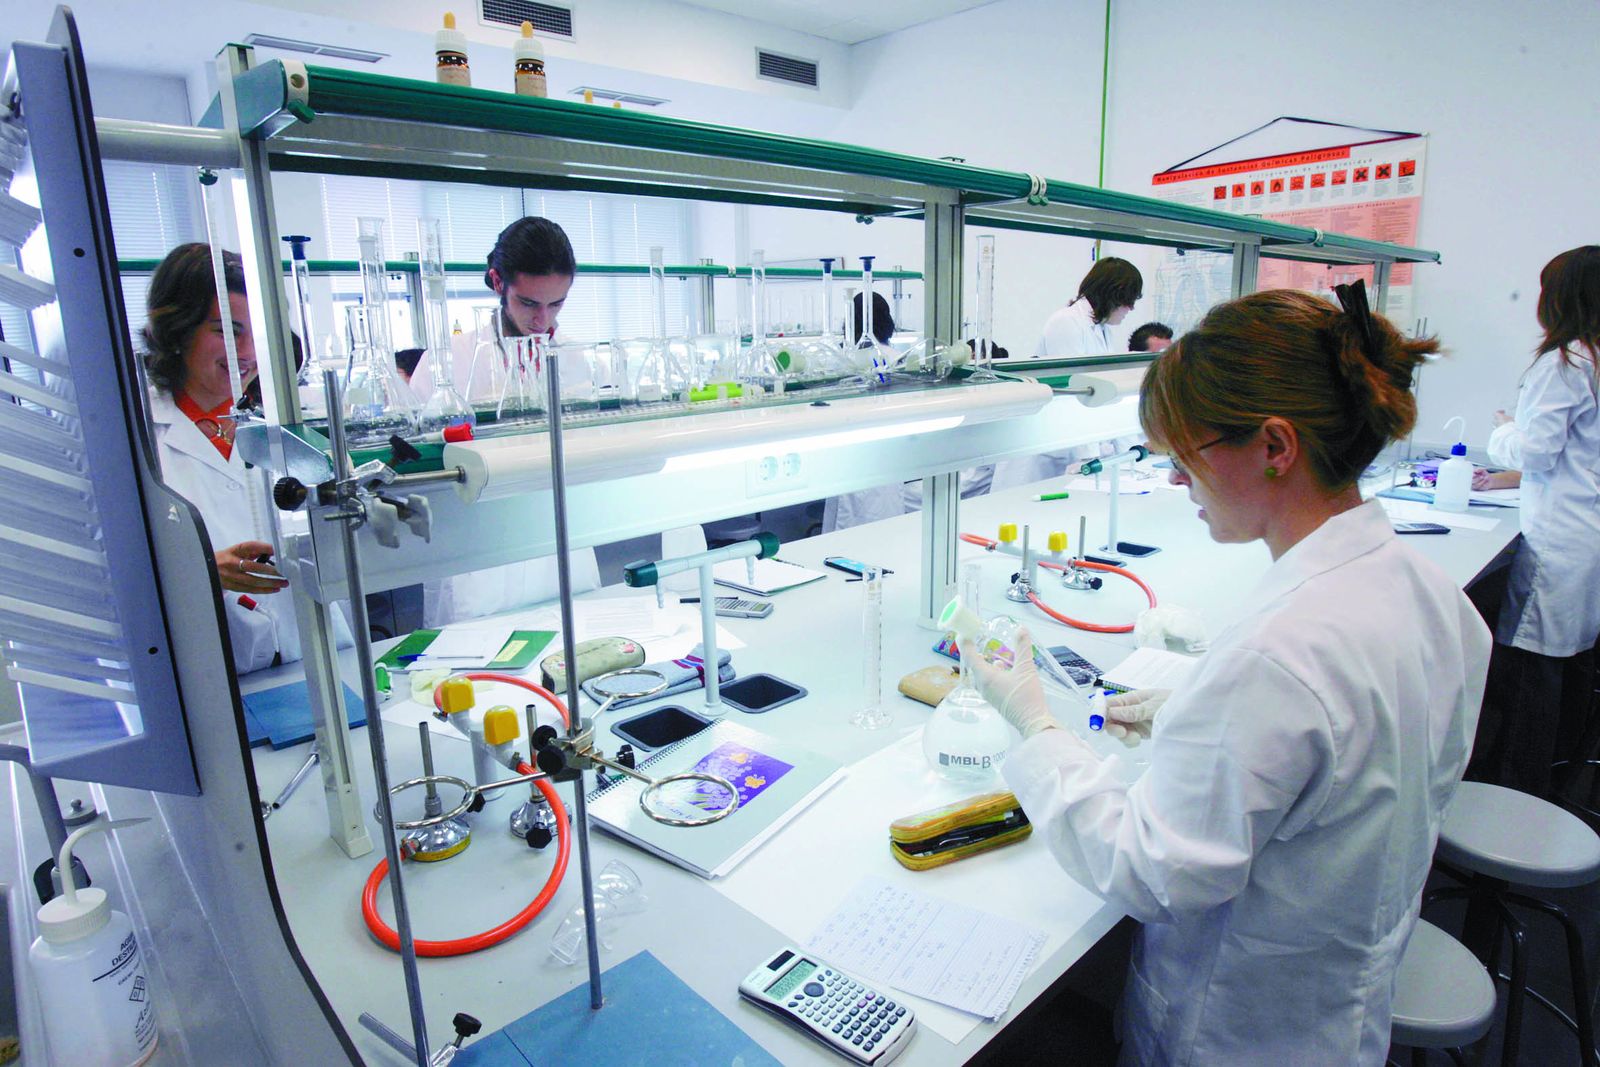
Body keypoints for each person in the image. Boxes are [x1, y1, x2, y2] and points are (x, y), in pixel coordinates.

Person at [971, 283, 1490, 1064]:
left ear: (1275, 446)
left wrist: (1038, 728)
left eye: (1187, 454)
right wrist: (1195, 714)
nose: (1178, 481)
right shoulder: (1432, 595)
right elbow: (1367, 759)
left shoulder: (1277, 656)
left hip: (1240, 1030)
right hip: (1335, 1003)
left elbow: (1147, 869)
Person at [140, 243, 352, 673]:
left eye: (258, 333)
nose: (248, 352)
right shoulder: (139, 436)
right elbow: (124, 571)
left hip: (306, 653)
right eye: (228, 330)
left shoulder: (282, 422)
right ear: (178, 331)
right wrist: (201, 569)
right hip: (210, 669)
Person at [415, 217, 601, 627]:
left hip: (561, 549)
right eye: (530, 303)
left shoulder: (572, 356)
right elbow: (425, 469)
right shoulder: (449, 361)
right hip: (480, 564)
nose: (544, 320)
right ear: (498, 283)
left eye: (557, 304)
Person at [1474, 245, 1600, 798]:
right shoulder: (1594, 358)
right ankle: (1553, 783)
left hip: (1559, 541)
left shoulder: (1565, 362)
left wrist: (1502, 430)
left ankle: (1513, 798)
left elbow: (1540, 452)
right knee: (1562, 665)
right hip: (1584, 532)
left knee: (1530, 672)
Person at [993, 258, 1146, 491]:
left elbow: (1106, 396)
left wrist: (1131, 451)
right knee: (1022, 510)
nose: (1131, 309)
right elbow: (1076, 393)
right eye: (1130, 301)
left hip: (1067, 443)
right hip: (1041, 447)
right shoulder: (1066, 322)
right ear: (1114, 295)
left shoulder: (1102, 329)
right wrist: (1088, 458)